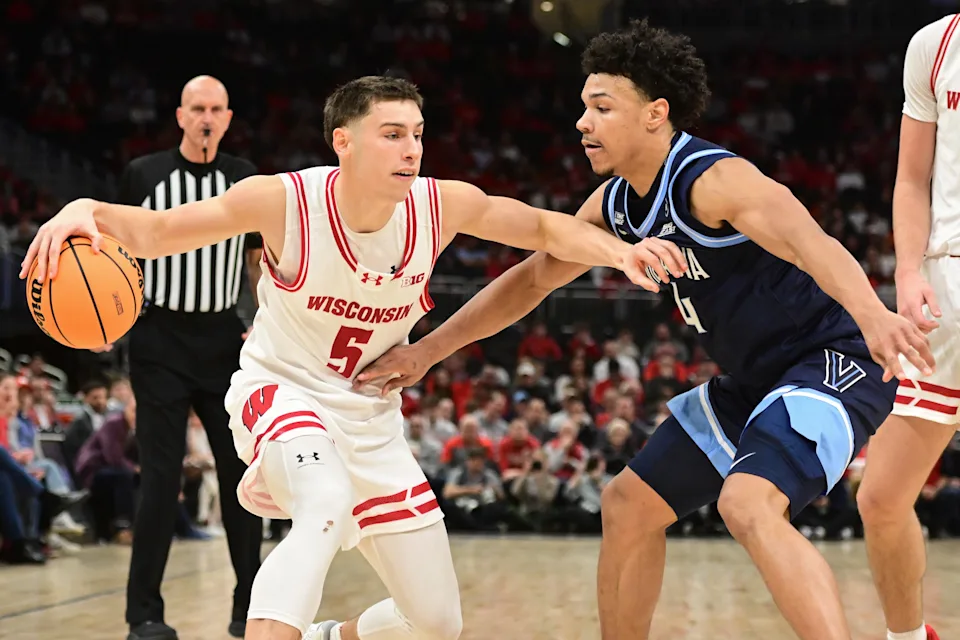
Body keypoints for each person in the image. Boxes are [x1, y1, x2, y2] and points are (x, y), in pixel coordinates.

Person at [20, 75, 676, 640]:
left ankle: (328, 635)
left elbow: (542, 227)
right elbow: (159, 232)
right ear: (344, 141)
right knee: (324, 501)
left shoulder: (439, 205)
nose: (411, 148)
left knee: (435, 622)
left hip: (370, 418)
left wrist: (622, 253)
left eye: (417, 134)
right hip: (281, 391)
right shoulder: (284, 201)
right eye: (391, 134)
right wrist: (85, 208)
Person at [354, 21, 934, 640]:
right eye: (584, 107)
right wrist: (429, 350)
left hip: (832, 359)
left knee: (747, 504)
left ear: (656, 114)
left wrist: (874, 316)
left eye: (602, 108)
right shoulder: (615, 205)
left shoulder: (713, 179)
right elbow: (532, 280)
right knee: (628, 506)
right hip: (754, 381)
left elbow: (810, 243)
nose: (583, 122)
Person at [103, 75, 265, 639]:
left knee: (241, 476)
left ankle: (250, 608)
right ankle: (144, 613)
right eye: (197, 108)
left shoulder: (245, 178)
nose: (206, 117)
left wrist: (265, 323)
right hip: (159, 338)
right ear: (180, 116)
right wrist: (109, 323)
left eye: (216, 109)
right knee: (160, 477)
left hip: (223, 339)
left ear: (228, 118)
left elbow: (258, 262)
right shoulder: (143, 175)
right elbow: (113, 253)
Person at [854, 14, 960, 640]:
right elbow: (911, 178)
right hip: (945, 293)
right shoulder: (935, 43)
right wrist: (909, 270)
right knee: (880, 497)